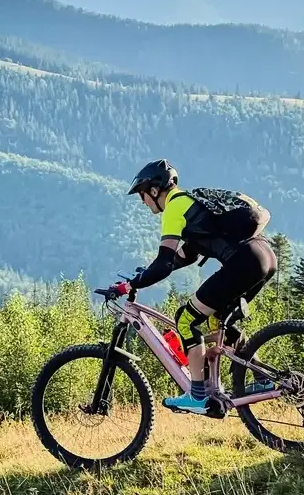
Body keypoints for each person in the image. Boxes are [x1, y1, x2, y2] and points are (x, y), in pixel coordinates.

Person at [108, 159, 278, 415]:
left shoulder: (175, 208)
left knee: (185, 319)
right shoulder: (190, 203)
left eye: (142, 195)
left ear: (154, 190)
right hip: (263, 257)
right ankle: (261, 377)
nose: (142, 202)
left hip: (244, 263)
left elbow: (164, 263)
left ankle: (197, 395)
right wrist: (145, 273)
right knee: (215, 322)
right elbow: (187, 255)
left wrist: (130, 285)